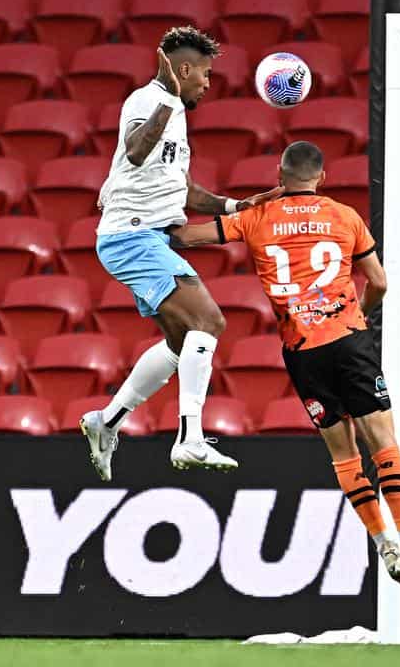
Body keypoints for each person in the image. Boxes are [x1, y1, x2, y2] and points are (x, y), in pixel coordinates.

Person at [170, 140, 400, 581]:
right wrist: (358, 316)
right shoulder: (345, 217)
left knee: (344, 455)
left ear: (279, 174)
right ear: (322, 178)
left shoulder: (256, 217)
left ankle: (384, 547)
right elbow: (380, 282)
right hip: (349, 341)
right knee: (382, 440)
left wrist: (151, 206)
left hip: (303, 351)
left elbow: (183, 237)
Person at [79, 26, 283, 480]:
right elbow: (134, 152)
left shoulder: (176, 114)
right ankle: (190, 440)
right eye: (205, 75)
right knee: (209, 321)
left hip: (145, 239)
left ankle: (105, 422)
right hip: (132, 237)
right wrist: (169, 98)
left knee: (181, 342)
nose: (208, 84)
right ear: (183, 69)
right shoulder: (146, 101)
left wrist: (233, 205)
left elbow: (179, 187)